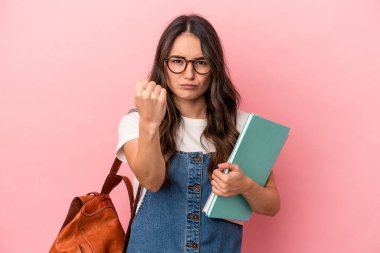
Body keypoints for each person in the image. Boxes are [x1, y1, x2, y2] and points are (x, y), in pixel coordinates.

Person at [116, 14, 280, 253]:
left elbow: (272, 205)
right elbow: (152, 181)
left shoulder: (243, 127)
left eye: (201, 62)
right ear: (163, 64)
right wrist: (150, 122)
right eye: (178, 61)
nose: (189, 74)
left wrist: (245, 186)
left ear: (214, 67)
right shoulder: (136, 122)